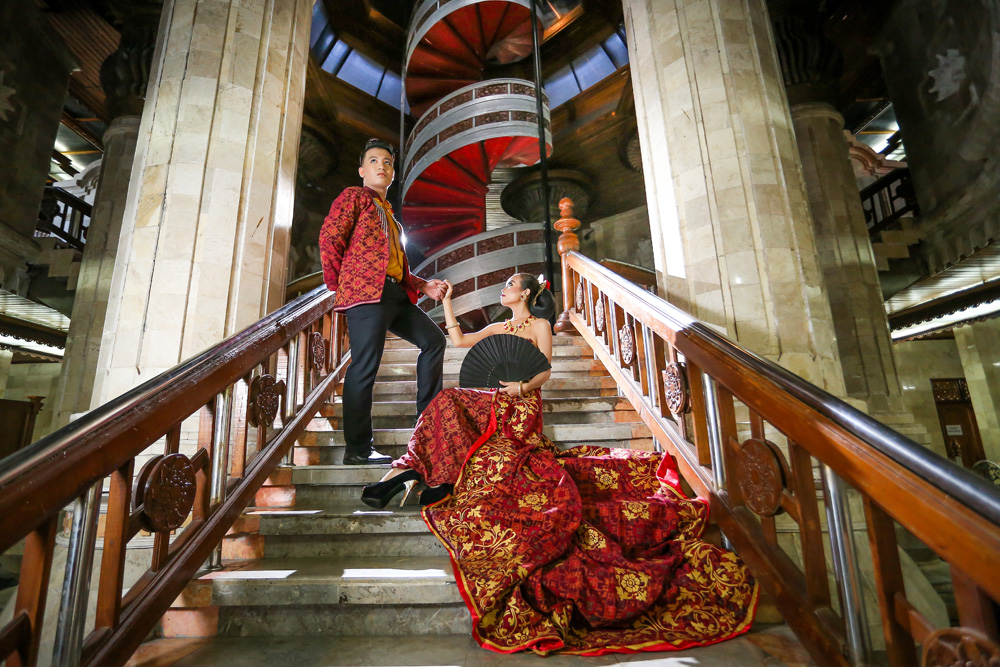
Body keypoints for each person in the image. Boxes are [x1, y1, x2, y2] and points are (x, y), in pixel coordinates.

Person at [361, 273, 758, 655]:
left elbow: (546, 370)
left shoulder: (540, 326)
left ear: (526, 294)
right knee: (446, 400)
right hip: (495, 402)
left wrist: (521, 386)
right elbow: (461, 340)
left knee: (486, 437)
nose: (503, 289)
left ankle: (421, 475)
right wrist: (447, 302)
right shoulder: (500, 327)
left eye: (510, 285)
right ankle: (414, 468)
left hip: (523, 406)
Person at [319, 138, 448, 465]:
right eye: (374, 161)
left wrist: (424, 285)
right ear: (362, 170)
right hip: (365, 295)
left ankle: (427, 426)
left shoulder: (391, 219)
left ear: (392, 173)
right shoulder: (354, 197)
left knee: (434, 341)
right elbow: (330, 239)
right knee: (365, 366)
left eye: (388, 163)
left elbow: (394, 265)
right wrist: (340, 284)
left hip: (394, 294)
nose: (382, 166)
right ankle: (358, 450)